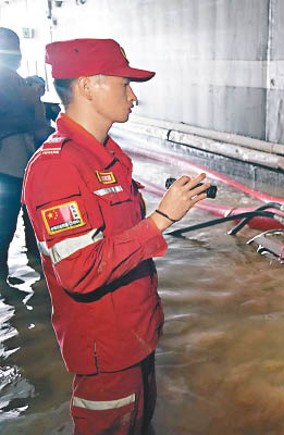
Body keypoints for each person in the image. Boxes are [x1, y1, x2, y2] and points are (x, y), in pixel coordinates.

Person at [22, 38, 212, 434]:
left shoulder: (110, 157)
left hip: (136, 338)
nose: (133, 96)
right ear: (88, 86)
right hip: (105, 355)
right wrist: (161, 218)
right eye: (124, 84)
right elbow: (80, 270)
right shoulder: (56, 168)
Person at [0, 27, 49, 283]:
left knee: (36, 232)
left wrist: (34, 102)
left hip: (28, 168)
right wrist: (28, 102)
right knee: (3, 233)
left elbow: (38, 126)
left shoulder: (16, 79)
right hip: (6, 172)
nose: (13, 53)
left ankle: (40, 294)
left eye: (15, 46)